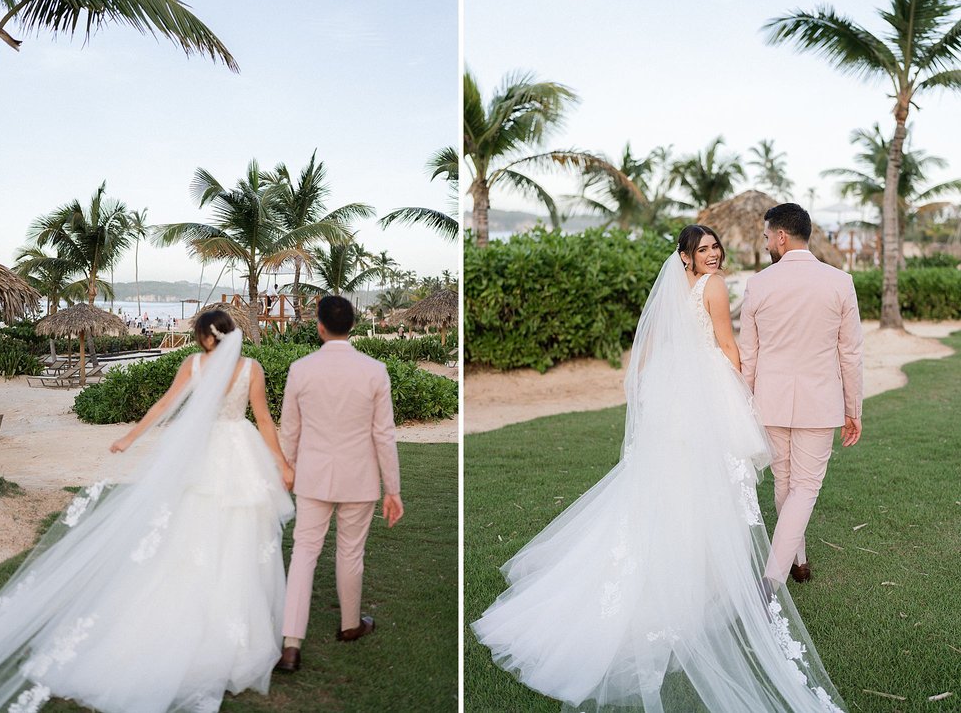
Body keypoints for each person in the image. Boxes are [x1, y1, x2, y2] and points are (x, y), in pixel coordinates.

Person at [472, 224, 847, 712]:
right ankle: (705, 573)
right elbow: (728, 346)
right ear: (686, 256)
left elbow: (647, 354)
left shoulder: (674, 290)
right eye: (703, 249)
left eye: (715, 247)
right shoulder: (712, 288)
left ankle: (692, 566)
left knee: (677, 485)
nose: (712, 255)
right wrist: (746, 393)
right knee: (707, 484)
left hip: (675, 396)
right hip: (707, 396)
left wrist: (652, 391)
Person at [0, 310, 295, 712]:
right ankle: (233, 635)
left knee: (197, 533)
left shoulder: (195, 365)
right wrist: (280, 463)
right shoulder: (250, 369)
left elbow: (163, 407)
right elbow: (262, 420)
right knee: (237, 534)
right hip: (238, 456)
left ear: (203, 337)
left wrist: (130, 437)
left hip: (204, 456)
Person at [274, 295, 404, 673]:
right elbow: (384, 435)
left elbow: (289, 431)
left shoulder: (301, 369)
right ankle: (350, 626)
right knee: (350, 553)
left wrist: (287, 469)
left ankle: (291, 645)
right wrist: (392, 488)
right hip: (359, 478)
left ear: (319, 325)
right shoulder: (375, 369)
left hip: (313, 477)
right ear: (353, 326)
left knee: (303, 554)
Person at [740, 203, 863, 586]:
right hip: (819, 401)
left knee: (786, 484)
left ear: (780, 236)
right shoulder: (840, 282)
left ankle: (798, 558)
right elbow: (851, 352)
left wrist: (745, 403)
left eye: (766, 238)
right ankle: (772, 581)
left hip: (769, 400)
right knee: (804, 487)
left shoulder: (758, 283)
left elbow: (749, 355)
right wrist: (853, 408)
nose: (766, 245)